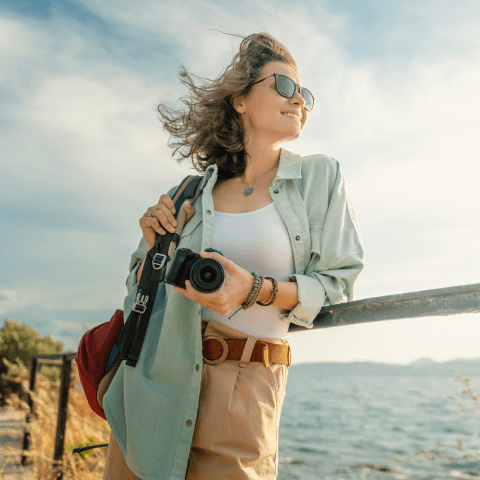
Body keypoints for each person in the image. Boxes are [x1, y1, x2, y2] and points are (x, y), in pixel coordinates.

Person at [102, 32, 365, 480]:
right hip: (153, 377)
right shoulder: (188, 192)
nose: (298, 99)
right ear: (240, 100)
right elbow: (138, 290)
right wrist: (154, 248)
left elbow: (337, 285)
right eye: (283, 86)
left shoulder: (320, 177)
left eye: (304, 93)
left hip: (248, 387)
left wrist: (255, 289)